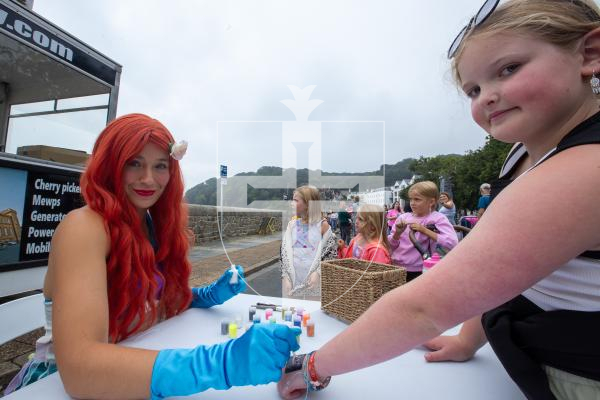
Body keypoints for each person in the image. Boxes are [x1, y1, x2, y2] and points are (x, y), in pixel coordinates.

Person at [277, 1, 600, 399]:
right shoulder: (523, 154)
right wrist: (468, 340)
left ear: (589, 53)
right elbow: (512, 278)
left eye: (509, 69)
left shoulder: (584, 170)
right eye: (474, 90)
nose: (487, 98)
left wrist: (311, 366)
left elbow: (422, 309)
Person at [3, 114, 301, 399]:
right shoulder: (83, 228)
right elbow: (79, 370)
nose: (148, 179)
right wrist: (221, 364)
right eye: (134, 163)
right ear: (109, 165)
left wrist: (200, 296)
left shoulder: (150, 224)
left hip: (131, 371)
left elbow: (147, 302)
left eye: (160, 166)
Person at [388, 181, 458, 282]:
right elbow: (390, 246)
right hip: (395, 267)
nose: (412, 203)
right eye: (411, 199)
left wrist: (424, 230)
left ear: (431, 202)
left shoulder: (437, 218)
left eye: (417, 199)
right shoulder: (403, 218)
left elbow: (452, 242)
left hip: (419, 269)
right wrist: (397, 234)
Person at [280, 185, 337, 299]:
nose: (292, 203)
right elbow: (284, 255)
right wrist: (285, 277)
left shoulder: (322, 226)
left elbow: (330, 255)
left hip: (314, 286)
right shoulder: (292, 225)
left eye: (296, 200)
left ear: (308, 204)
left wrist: (319, 273)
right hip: (293, 283)